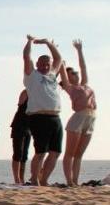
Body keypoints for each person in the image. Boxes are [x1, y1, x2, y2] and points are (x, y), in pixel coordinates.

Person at [22, 35, 64, 186]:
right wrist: (29, 42)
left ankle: (44, 178)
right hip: (38, 117)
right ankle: (34, 178)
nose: (45, 66)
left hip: (55, 117)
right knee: (40, 152)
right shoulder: (32, 75)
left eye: (47, 64)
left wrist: (47, 43)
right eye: (42, 64)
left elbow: (58, 58)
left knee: (56, 152)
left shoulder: (52, 74)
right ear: (38, 64)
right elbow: (26, 57)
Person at [61, 39, 97, 187]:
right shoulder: (70, 88)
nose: (75, 74)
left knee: (79, 154)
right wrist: (61, 65)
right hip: (79, 118)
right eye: (72, 73)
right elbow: (62, 74)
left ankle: (75, 180)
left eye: (75, 73)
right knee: (70, 152)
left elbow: (83, 68)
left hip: (91, 118)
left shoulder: (84, 85)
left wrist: (79, 51)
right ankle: (69, 181)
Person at [10, 90, 30, 185]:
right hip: (19, 125)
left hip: (28, 127)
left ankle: (21, 178)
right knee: (18, 153)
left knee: (24, 155)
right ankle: (17, 179)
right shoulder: (26, 92)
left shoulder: (38, 95)